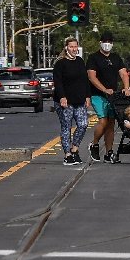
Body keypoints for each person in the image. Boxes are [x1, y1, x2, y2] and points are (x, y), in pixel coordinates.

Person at [87, 37, 130, 163]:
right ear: (100, 43)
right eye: (105, 42)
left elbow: (123, 73)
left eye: (110, 42)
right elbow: (91, 77)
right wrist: (104, 89)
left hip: (113, 96)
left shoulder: (116, 57)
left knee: (111, 123)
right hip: (97, 95)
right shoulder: (93, 58)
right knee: (103, 120)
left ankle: (108, 152)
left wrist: (126, 88)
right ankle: (94, 144)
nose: (107, 45)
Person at [52, 36, 90, 166]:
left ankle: (74, 149)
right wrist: (62, 96)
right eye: (71, 46)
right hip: (65, 102)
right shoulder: (60, 63)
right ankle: (67, 154)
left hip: (79, 101)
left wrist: (87, 96)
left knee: (83, 124)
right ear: (66, 47)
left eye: (75, 47)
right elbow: (58, 82)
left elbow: (85, 80)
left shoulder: (80, 61)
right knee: (66, 127)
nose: (74, 49)